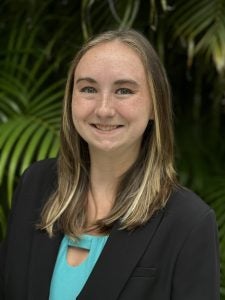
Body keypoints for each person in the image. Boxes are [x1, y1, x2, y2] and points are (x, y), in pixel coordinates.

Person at [0, 29, 220, 300]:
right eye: (89, 89)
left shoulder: (189, 222)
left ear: (155, 106)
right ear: (71, 99)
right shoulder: (35, 185)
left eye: (124, 90)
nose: (104, 109)